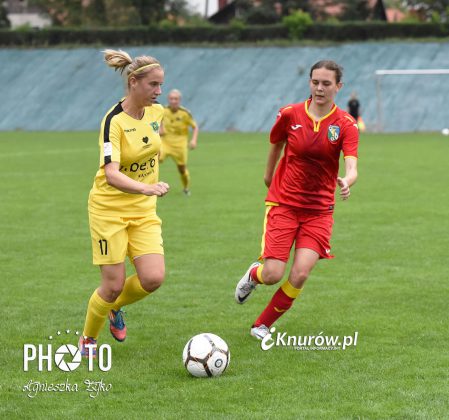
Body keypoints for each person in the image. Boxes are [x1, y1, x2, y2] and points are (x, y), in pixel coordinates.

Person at [235, 60, 359, 340]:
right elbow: (276, 144)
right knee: (272, 274)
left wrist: (347, 180)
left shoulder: (345, 124)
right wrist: (268, 176)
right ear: (309, 83)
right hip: (285, 204)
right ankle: (254, 275)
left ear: (338, 86)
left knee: (301, 273)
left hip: (319, 210)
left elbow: (352, 165)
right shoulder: (290, 114)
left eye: (326, 83)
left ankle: (261, 325)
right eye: (315, 82)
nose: (320, 88)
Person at [79, 49, 170, 356]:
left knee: (153, 278)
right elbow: (112, 174)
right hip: (109, 211)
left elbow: (154, 143)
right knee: (113, 284)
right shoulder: (113, 121)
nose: (159, 92)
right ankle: (88, 340)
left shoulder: (156, 113)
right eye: (153, 85)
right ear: (133, 82)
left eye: (161, 85)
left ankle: (114, 308)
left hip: (143, 212)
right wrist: (146, 188)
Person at [160, 89, 199, 196]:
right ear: (168, 99)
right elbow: (156, 120)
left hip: (180, 145)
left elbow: (195, 127)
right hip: (165, 143)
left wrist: (194, 140)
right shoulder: (162, 110)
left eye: (176, 99)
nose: (173, 101)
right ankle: (148, 186)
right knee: (153, 160)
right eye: (171, 99)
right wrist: (160, 128)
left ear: (179, 100)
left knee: (182, 169)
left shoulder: (185, 113)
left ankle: (186, 188)